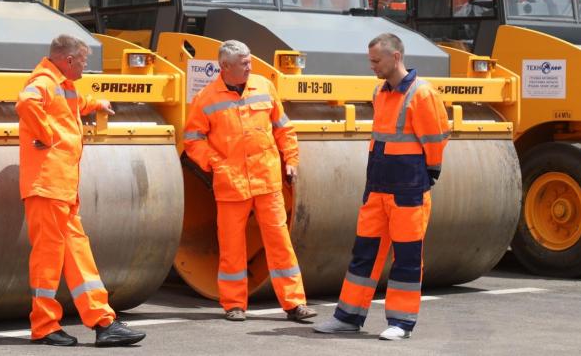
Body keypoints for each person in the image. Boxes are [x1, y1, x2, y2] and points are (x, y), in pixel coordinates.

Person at [313, 33, 450, 340]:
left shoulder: (422, 94)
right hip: (377, 187)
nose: (372, 65)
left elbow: (436, 139)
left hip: (408, 190)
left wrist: (428, 175)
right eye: (370, 60)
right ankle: (348, 317)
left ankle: (401, 323)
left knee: (407, 257)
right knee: (364, 254)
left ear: (396, 57)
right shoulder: (380, 93)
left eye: (376, 60)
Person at [16, 34, 147, 347]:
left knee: (78, 254)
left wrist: (97, 103)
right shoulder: (45, 80)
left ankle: (104, 322)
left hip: (62, 188)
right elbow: (26, 102)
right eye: (84, 61)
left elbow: (71, 105)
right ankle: (44, 326)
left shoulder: (64, 85)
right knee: (48, 258)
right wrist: (46, 134)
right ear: (69, 59)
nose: (87, 67)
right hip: (47, 187)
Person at [184, 40, 316, 323]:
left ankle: (295, 304)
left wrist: (291, 160)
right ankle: (234, 304)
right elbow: (193, 139)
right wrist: (215, 164)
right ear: (225, 66)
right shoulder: (206, 99)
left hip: (268, 182)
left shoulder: (264, 87)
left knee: (280, 243)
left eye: (249, 61)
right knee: (232, 247)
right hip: (231, 185)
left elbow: (284, 128)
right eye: (243, 63)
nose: (249, 67)